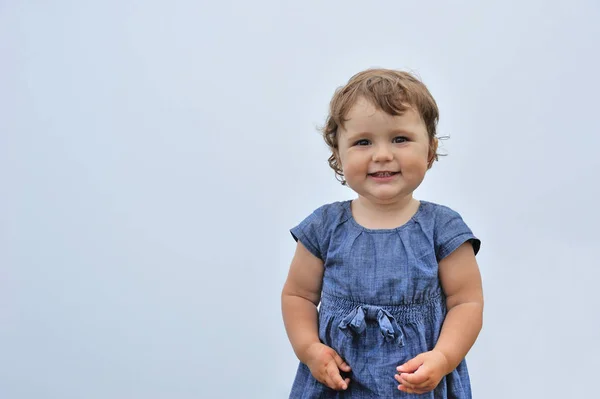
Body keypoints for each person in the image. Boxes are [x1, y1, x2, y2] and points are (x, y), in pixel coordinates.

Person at [281, 68, 484, 398]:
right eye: (363, 142)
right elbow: (298, 296)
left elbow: (466, 302)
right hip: (338, 384)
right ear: (338, 156)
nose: (382, 155)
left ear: (430, 150)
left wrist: (443, 357)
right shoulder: (323, 227)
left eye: (400, 139)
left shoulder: (443, 229)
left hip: (417, 383)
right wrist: (308, 349)